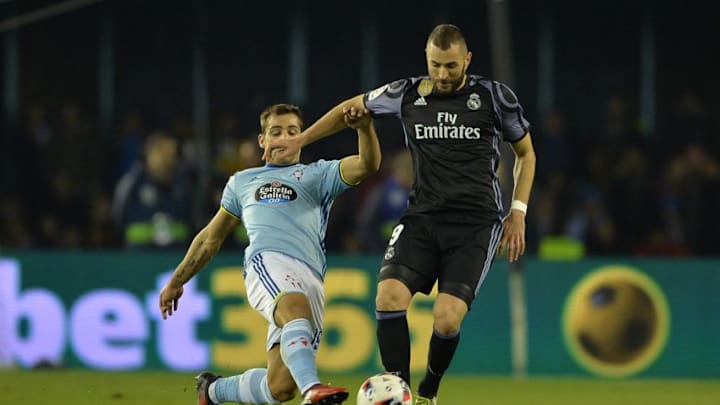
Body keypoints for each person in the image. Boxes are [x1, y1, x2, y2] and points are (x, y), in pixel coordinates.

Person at [267, 24, 536, 405]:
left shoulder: (494, 97)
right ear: (427, 60)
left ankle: (428, 390)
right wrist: (301, 139)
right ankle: (399, 389)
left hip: (475, 225)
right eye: (436, 65)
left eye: (451, 66)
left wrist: (518, 211)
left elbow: (526, 154)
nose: (442, 75)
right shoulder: (405, 93)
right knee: (388, 296)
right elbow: (351, 108)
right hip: (422, 217)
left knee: (446, 318)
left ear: (468, 61)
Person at [158, 103, 381, 405]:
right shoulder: (242, 182)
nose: (285, 138)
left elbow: (368, 164)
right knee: (294, 308)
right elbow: (211, 238)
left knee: (280, 387)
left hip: (312, 277)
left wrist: (365, 129)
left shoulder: (318, 175)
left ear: (302, 137)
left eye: (292, 131)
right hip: (267, 262)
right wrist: (177, 280)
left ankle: (211, 391)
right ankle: (313, 389)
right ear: (262, 140)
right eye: (276, 132)